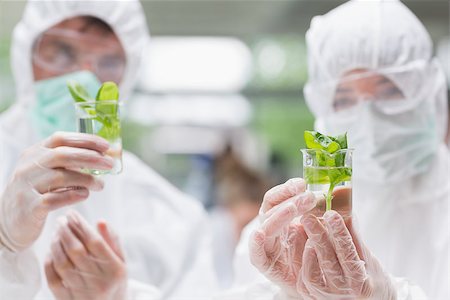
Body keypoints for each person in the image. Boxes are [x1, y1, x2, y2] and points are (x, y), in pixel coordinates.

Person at [0, 0, 218, 298]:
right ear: (25, 54)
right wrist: (4, 245)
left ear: (127, 76)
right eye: (64, 52)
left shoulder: (172, 217)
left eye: (108, 62)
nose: (84, 78)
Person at [232, 0, 449, 299]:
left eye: (389, 90)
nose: (368, 118)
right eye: (344, 99)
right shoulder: (289, 230)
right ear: (322, 107)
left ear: (430, 92)